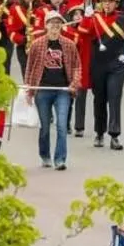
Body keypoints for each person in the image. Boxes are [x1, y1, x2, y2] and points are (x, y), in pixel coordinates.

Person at [81, 0, 124, 151]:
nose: (107, 4)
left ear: (116, 4)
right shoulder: (94, 18)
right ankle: (99, 133)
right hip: (98, 64)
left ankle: (114, 135)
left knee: (114, 98)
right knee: (99, 99)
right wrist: (86, 17)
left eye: (111, 1)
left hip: (117, 65)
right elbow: (83, 32)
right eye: (104, 1)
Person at [23, 11, 80, 170]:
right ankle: (45, 155)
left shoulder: (69, 45)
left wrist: (74, 83)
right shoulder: (37, 44)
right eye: (52, 23)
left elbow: (77, 66)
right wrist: (29, 89)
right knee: (45, 126)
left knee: (62, 125)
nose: (55, 26)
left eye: (58, 23)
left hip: (62, 90)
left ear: (62, 26)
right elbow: (29, 67)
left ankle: (60, 159)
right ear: (46, 25)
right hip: (43, 89)